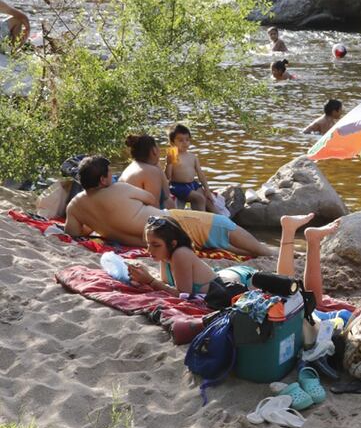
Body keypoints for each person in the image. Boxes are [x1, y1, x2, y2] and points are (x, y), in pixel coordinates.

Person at [64, 156, 273, 256]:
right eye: (109, 173)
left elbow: (74, 233)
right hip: (169, 224)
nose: (112, 176)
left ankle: (261, 250)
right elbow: (150, 199)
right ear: (102, 180)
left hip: (151, 241)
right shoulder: (117, 189)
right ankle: (268, 253)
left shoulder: (75, 205)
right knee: (222, 224)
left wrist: (99, 223)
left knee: (216, 240)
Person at [128, 212, 335, 303]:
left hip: (237, 281)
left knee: (297, 295)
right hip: (226, 277)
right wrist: (148, 278)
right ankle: (299, 235)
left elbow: (184, 295)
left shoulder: (181, 254)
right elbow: (169, 285)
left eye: (155, 245)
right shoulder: (168, 256)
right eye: (148, 244)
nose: (149, 250)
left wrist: (150, 281)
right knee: (302, 299)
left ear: (172, 243)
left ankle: (291, 233)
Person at [165, 124, 215, 212]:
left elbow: (201, 174)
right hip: (178, 186)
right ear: (172, 143)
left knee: (207, 199)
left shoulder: (192, 156)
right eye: (180, 140)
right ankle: (201, 220)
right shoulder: (173, 156)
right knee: (199, 198)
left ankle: (221, 218)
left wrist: (207, 189)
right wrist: (168, 163)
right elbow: (168, 176)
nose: (185, 142)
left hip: (193, 184)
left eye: (187, 140)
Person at [119, 134, 174, 209]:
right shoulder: (150, 171)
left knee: (169, 201)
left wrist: (158, 165)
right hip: (135, 215)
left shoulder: (135, 165)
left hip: (125, 211)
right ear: (154, 150)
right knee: (169, 203)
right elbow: (154, 206)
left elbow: (166, 194)